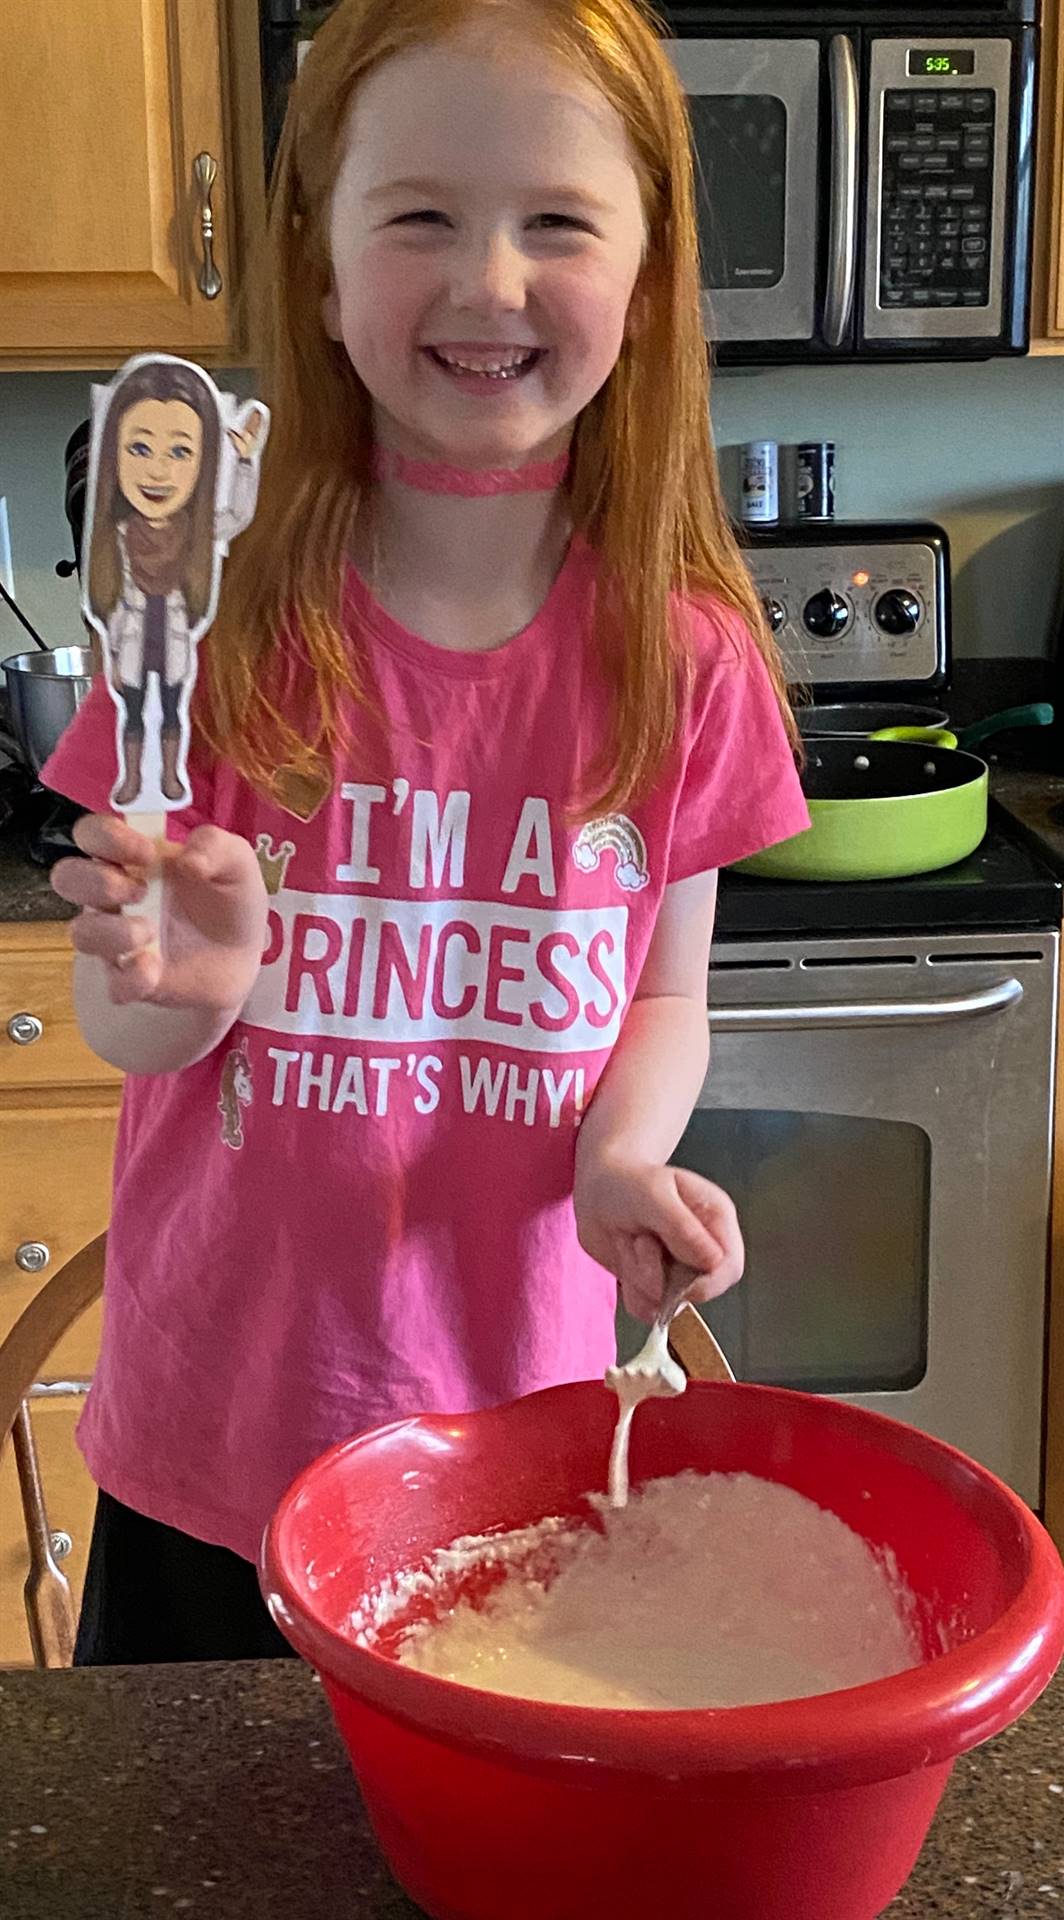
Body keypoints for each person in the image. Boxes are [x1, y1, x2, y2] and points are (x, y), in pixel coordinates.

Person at [44, 0, 809, 1665]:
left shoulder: (681, 664)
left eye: (553, 221)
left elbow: (663, 997)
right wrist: (179, 990)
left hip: (509, 1448)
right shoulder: (220, 632)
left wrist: (620, 1154)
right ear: (317, 270)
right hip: (212, 1461)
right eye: (418, 219)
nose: (487, 282)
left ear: (649, 275)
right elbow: (129, 1014)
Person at [82, 358, 265, 810]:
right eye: (140, 449)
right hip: (134, 634)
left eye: (181, 452)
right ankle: (133, 781)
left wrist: (243, 462)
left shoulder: (198, 534)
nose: (158, 472)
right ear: (113, 454)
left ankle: (167, 777)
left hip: (176, 631)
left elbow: (238, 516)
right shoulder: (117, 534)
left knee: (169, 708)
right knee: (133, 712)